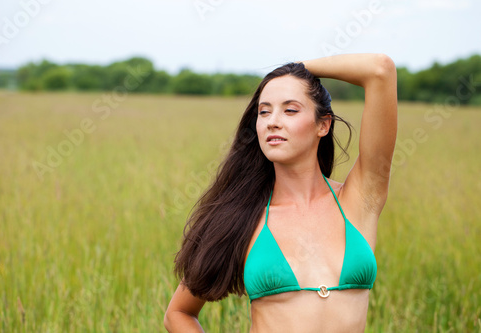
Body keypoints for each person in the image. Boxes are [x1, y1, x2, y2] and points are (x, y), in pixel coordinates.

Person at [164, 53, 397, 332]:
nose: (273, 121)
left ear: (323, 124)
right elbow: (178, 313)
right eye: (264, 112)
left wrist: (296, 68)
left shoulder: (360, 200)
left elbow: (380, 70)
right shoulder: (240, 216)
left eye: (290, 110)